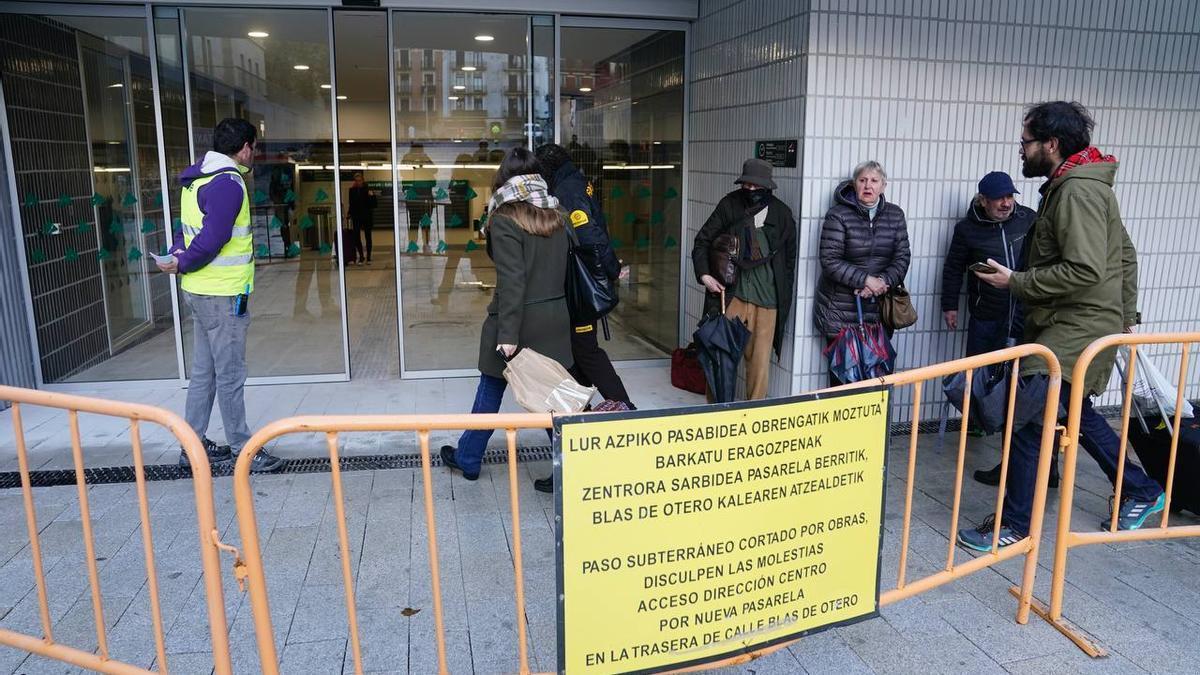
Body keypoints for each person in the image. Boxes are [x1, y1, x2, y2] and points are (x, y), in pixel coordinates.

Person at [957, 101, 1163, 551]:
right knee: (1072, 415)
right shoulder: (1076, 186)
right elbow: (1124, 253)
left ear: (1051, 144)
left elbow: (1086, 270)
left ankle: (1014, 527)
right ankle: (1141, 489)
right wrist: (1124, 317)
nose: (1021, 150)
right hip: (1076, 326)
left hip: (1074, 330)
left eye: (1026, 142)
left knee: (1031, 422)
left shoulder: (1077, 192)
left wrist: (1017, 281)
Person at [155, 118, 283, 473]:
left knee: (204, 372)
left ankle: (191, 445)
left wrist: (178, 256)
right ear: (244, 147)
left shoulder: (196, 178)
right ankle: (244, 448)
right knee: (229, 374)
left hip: (198, 291)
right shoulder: (228, 183)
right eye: (253, 147)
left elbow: (188, 231)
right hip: (222, 295)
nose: (252, 153)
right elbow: (212, 238)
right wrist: (183, 262)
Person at [440, 148, 572, 481]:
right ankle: (569, 468)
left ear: (503, 179)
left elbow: (513, 281)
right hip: (554, 319)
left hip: (517, 322)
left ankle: (469, 458)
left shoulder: (503, 220)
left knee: (491, 387)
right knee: (552, 397)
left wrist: (508, 335)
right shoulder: (559, 215)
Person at [530, 143, 632, 493]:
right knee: (579, 357)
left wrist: (606, 273)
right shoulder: (575, 182)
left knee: (582, 355)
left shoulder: (568, 189)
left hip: (579, 289)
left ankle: (619, 417)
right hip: (578, 287)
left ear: (547, 169)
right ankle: (595, 428)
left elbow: (589, 236)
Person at [939, 172, 1040, 483]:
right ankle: (983, 424)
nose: (1006, 203)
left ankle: (1020, 461)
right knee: (983, 378)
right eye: (999, 198)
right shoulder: (967, 229)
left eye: (1010, 196)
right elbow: (953, 267)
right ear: (983, 201)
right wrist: (950, 305)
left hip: (1025, 315)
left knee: (1023, 388)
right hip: (987, 314)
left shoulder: (1029, 220)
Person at [690, 158, 798, 400]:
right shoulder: (730, 204)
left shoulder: (782, 214)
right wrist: (705, 275)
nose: (750, 190)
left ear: (767, 186)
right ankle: (717, 412)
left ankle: (754, 417)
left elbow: (788, 263)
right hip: (731, 295)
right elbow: (703, 241)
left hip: (768, 300)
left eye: (755, 186)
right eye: (746, 185)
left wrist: (783, 299)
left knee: (759, 366)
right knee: (720, 357)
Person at [814, 161, 910, 386]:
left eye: (874, 181)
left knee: (876, 380)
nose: (868, 186)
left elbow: (902, 257)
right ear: (854, 184)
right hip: (840, 311)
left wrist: (882, 282)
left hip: (879, 311)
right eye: (862, 180)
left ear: (883, 186)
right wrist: (865, 280)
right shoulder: (838, 215)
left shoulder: (895, 215)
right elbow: (829, 260)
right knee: (843, 381)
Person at [345, 172, 377, 265]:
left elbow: (374, 205)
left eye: (359, 180)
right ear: (354, 181)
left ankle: (369, 257)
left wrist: (372, 196)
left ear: (363, 180)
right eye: (356, 181)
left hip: (367, 216)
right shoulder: (352, 191)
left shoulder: (367, 190)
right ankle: (361, 256)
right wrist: (349, 213)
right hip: (356, 216)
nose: (358, 182)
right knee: (356, 236)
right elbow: (351, 204)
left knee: (368, 236)